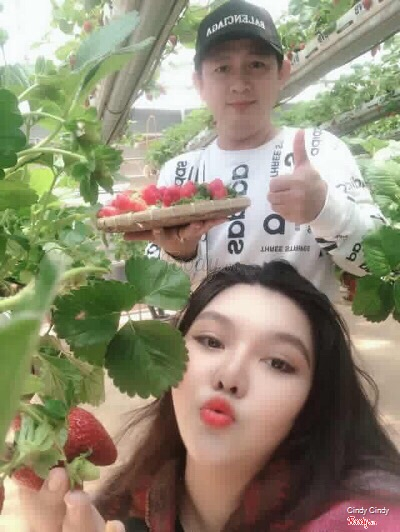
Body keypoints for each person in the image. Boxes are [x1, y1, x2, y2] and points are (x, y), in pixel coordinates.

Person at [17, 261, 400, 531]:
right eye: (211, 341)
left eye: (278, 363)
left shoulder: (361, 514)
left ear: (315, 400)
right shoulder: (131, 503)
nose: (230, 376)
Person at [125, 0, 385, 300]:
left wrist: (326, 209)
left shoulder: (321, 150)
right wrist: (179, 252)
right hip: (216, 331)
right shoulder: (180, 173)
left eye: (257, 65)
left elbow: (377, 262)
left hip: (304, 331)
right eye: (222, 68)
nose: (240, 84)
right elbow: (163, 292)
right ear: (199, 83)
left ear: (282, 73)